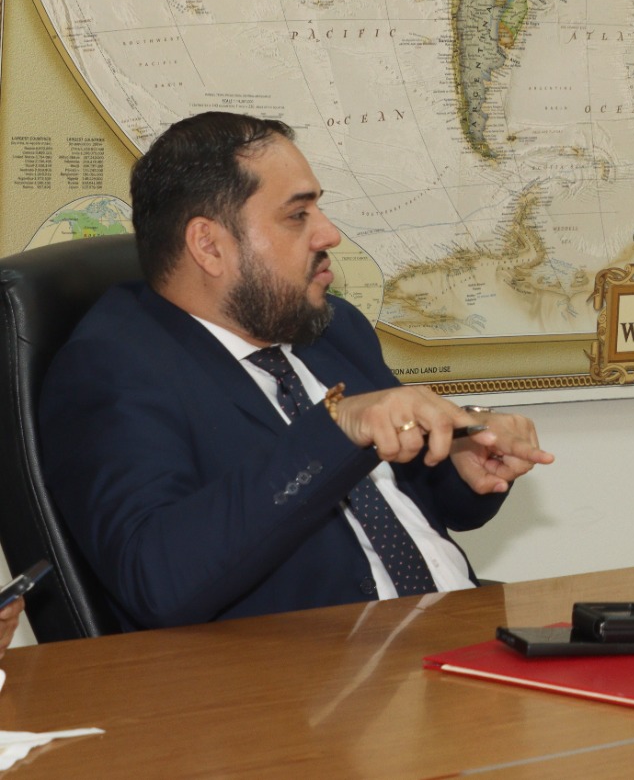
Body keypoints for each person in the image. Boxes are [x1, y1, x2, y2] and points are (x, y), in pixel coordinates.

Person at [40, 112, 554, 631]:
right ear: (209, 246)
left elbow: (418, 502)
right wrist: (336, 430)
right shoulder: (112, 370)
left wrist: (463, 460)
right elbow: (157, 581)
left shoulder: (332, 329)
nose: (328, 234)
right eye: (297, 215)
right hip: (316, 668)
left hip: (457, 634)